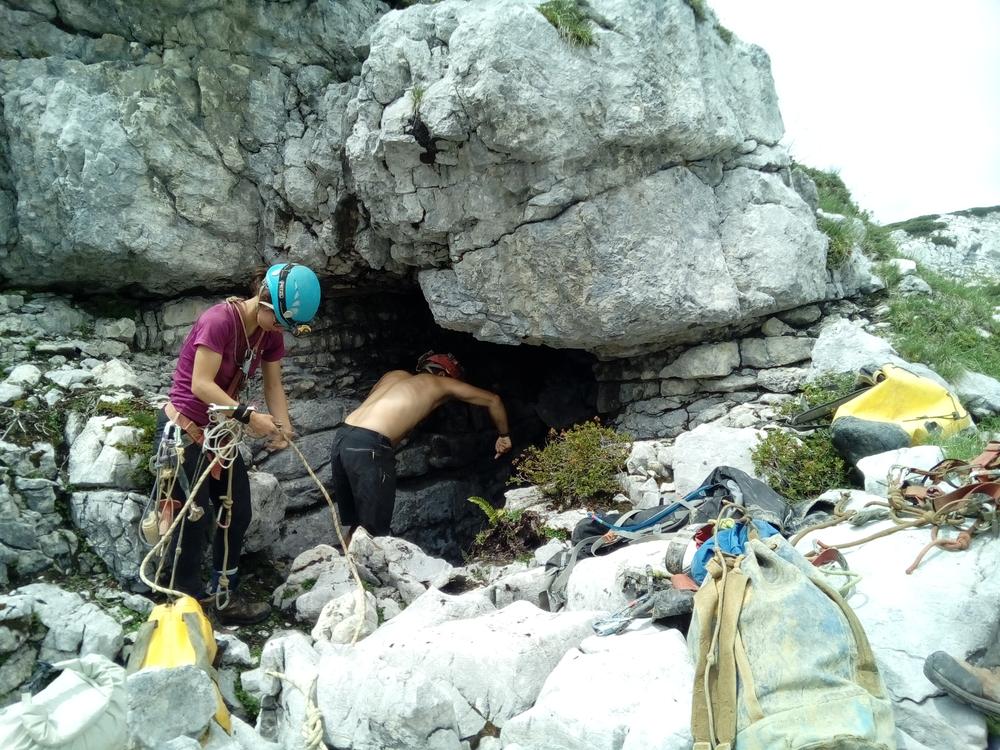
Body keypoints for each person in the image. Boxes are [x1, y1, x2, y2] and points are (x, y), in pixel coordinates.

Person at [151, 262, 321, 625]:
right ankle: (185, 602)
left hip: (218, 432)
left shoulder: (268, 333)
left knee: (237, 510)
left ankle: (225, 594)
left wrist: (283, 426)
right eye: (279, 321)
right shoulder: (219, 322)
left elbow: (273, 385)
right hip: (185, 430)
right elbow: (200, 384)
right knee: (192, 518)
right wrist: (247, 416)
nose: (281, 330)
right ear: (263, 300)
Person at [329, 351, 512, 538]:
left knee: (359, 524)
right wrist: (504, 436)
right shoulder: (440, 382)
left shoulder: (394, 375)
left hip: (344, 437)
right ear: (443, 374)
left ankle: (347, 556)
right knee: (372, 531)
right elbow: (493, 400)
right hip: (369, 447)